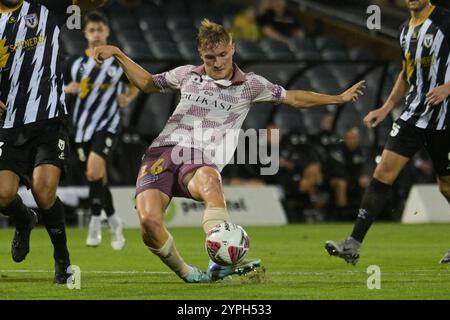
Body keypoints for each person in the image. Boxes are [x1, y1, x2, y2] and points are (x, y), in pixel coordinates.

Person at [93, 19, 365, 283]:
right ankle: (189, 274)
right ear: (201, 54)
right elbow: (147, 83)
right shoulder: (186, 74)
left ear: (232, 48)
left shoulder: (250, 85)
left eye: (223, 54)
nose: (218, 62)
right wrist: (118, 53)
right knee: (149, 224)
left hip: (198, 156)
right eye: (210, 57)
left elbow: (293, 98)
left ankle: (219, 260)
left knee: (210, 180)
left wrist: (337, 98)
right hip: (161, 153)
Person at [325, 0, 450, 265]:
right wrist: (385, 108)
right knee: (382, 173)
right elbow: (407, 73)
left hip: (445, 119)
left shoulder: (445, 21)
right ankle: (353, 243)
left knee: (446, 185)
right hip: (412, 116)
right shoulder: (404, 30)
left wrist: (447, 87)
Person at [0, 0, 106, 284]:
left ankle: (63, 259)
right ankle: (24, 219)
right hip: (8, 125)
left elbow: (92, 3)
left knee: (43, 191)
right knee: (2, 194)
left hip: (49, 119)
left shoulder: (47, 6)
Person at [64, 11, 138, 250]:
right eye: (91, 30)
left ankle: (95, 224)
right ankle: (115, 223)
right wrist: (67, 89)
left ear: (107, 32)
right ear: (85, 33)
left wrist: (127, 98)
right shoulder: (74, 63)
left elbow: (135, 83)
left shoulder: (117, 60)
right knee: (97, 177)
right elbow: (57, 89)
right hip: (81, 128)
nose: (96, 34)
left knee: (94, 171)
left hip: (108, 124)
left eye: (100, 29)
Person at [328, 126, 370, 219]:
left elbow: (362, 169)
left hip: (353, 179)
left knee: (367, 182)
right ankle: (342, 214)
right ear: (345, 138)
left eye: (355, 137)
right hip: (335, 180)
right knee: (342, 183)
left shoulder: (360, 151)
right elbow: (338, 171)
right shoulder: (338, 151)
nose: (353, 140)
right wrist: (355, 179)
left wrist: (362, 177)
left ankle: (366, 212)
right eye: (350, 137)